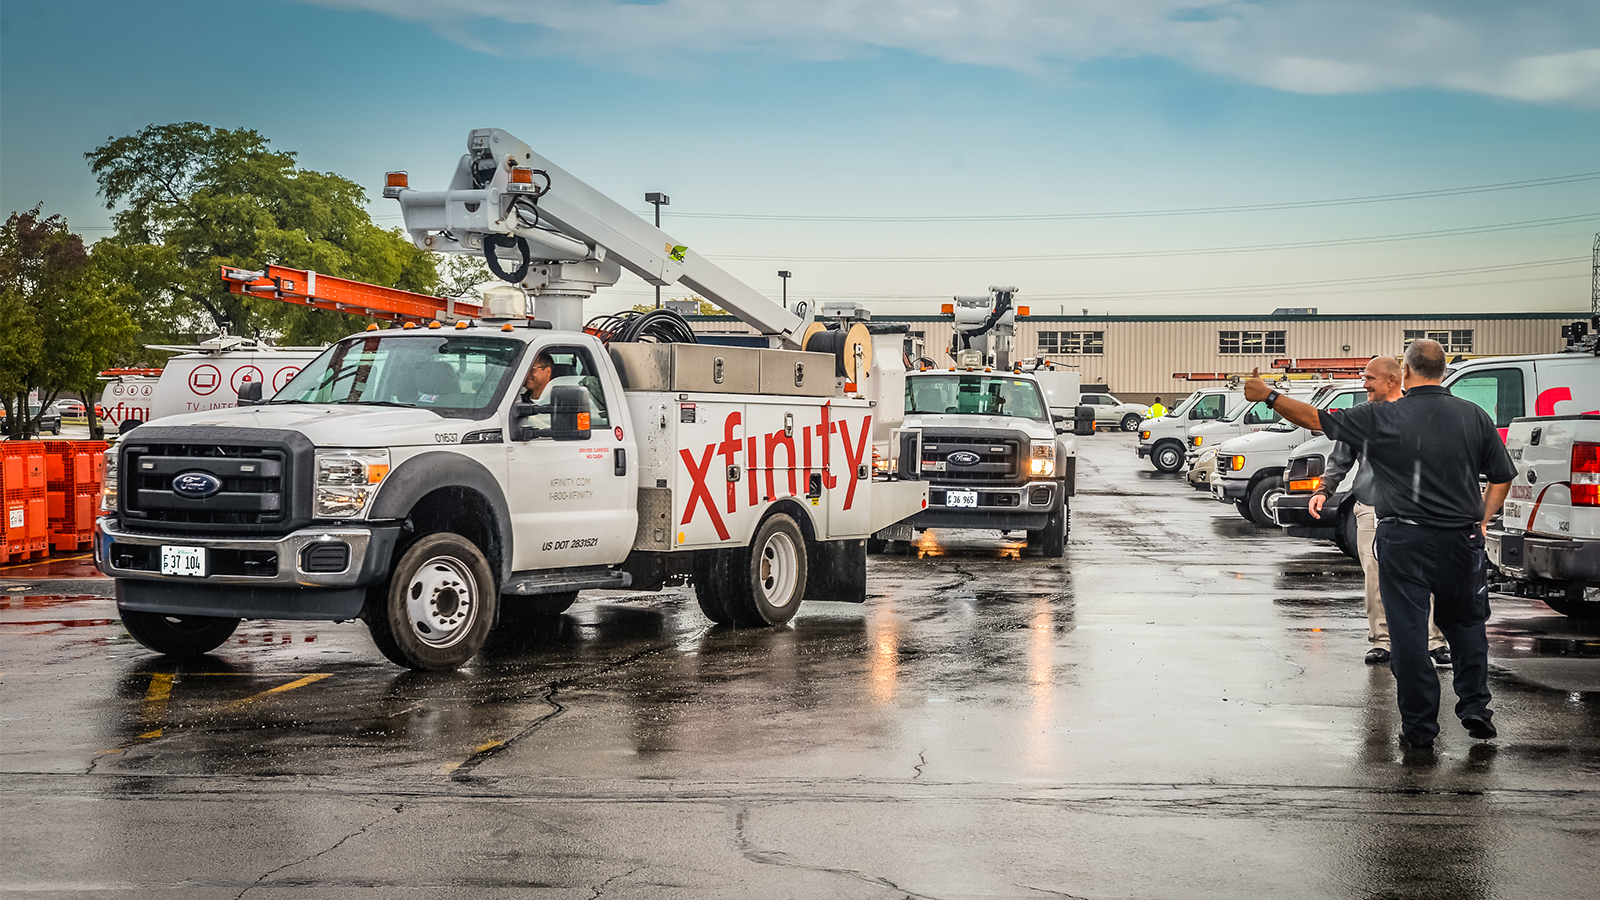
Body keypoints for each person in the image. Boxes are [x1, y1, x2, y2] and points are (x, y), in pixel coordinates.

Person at [1244, 339, 1514, 750]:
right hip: (1460, 539)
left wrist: (1270, 396)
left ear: (1405, 373)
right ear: (1442, 371)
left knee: (1406, 634)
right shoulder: (1473, 416)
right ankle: (1475, 707)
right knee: (1466, 625)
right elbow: (1501, 476)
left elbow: (1316, 419)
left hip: (1403, 537)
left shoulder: (1382, 416)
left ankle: (1421, 729)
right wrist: (1481, 518)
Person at [1309, 356, 1449, 667]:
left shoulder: (1419, 416)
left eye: (1370, 378)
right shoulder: (1364, 418)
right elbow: (1340, 457)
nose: (1364, 384)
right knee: (1375, 577)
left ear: (1392, 380)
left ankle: (1434, 641)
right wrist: (1324, 490)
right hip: (1371, 508)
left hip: (1418, 511)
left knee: (1425, 577)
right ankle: (1382, 641)